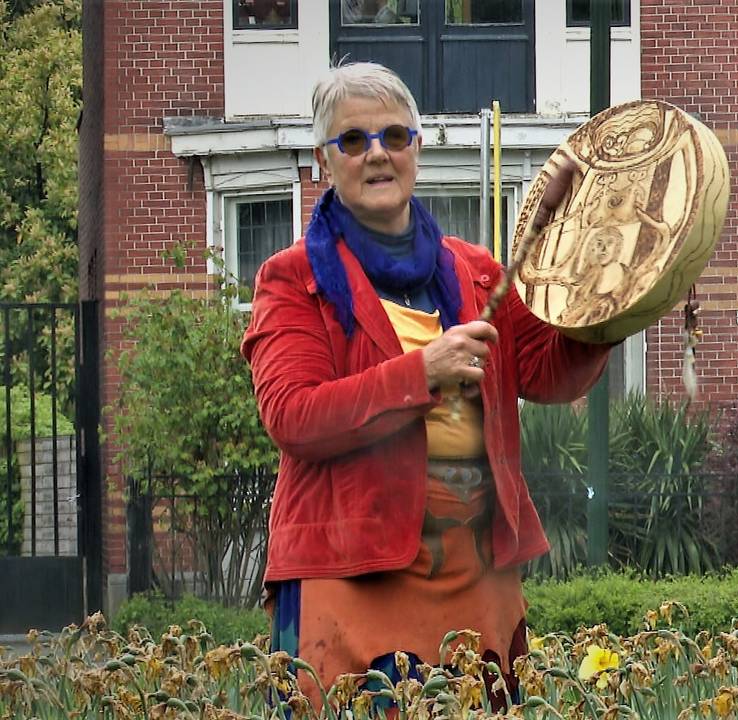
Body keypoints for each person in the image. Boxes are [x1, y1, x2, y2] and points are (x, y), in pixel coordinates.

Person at [240, 62, 612, 713]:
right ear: (323, 160)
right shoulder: (291, 279)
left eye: (394, 136)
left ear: (416, 147)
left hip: (476, 575)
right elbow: (293, 416)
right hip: (347, 578)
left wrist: (612, 311)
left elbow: (549, 370)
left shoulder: (476, 271)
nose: (376, 153)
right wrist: (421, 374)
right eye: (352, 140)